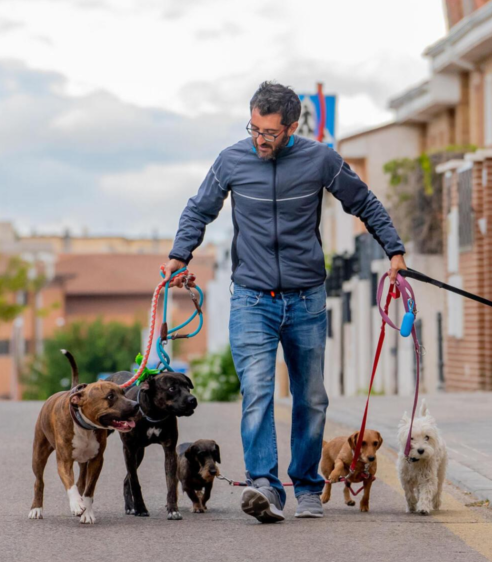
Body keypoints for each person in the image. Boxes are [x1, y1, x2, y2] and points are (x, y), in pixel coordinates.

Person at [163, 81, 407, 522]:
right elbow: (199, 209)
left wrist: (394, 251)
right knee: (257, 391)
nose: (260, 139)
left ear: (291, 127)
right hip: (252, 299)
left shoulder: (320, 160)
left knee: (311, 397)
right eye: (254, 128)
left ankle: (309, 487)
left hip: (306, 300)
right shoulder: (231, 160)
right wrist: (179, 255)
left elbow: (365, 203)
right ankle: (265, 488)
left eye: (270, 132)